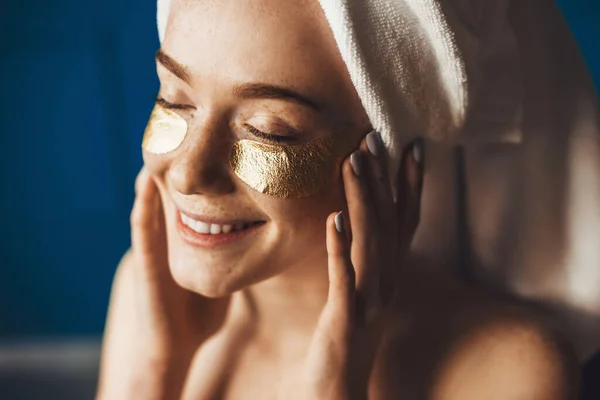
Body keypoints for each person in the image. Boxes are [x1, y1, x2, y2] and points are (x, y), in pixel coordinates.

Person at [96, 0, 580, 398]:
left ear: (388, 155)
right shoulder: (149, 294)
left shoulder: (504, 374)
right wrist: (155, 374)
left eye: (269, 133)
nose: (186, 173)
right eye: (174, 100)